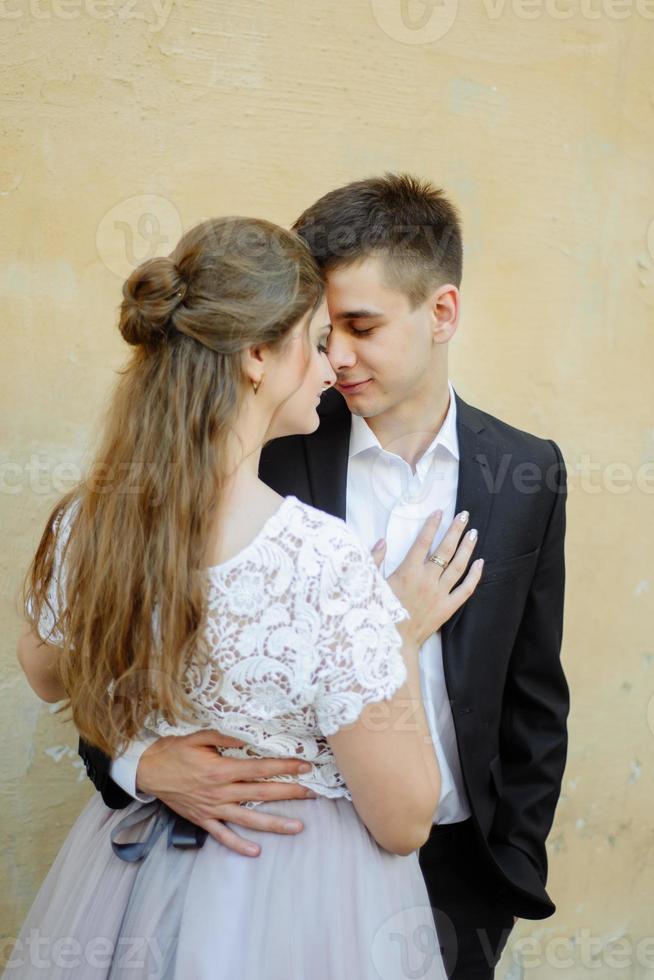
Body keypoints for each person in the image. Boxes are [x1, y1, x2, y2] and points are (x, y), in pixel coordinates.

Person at [80, 175, 570, 979]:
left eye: (362, 325)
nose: (335, 355)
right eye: (321, 328)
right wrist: (136, 765)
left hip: (461, 880)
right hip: (277, 873)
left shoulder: (528, 471)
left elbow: (535, 695)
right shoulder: (267, 446)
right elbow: (124, 650)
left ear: (441, 312)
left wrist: (511, 866)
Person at [9, 214, 485, 979]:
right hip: (303, 906)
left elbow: (44, 670)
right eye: (316, 339)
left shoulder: (86, 523)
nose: (333, 367)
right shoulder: (321, 562)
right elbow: (403, 820)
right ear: (258, 356)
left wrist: (140, 752)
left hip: (130, 895)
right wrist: (394, 632)